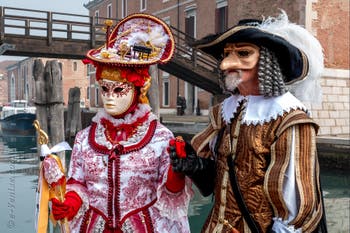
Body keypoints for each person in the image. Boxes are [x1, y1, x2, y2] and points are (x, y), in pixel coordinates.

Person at [170, 11, 327, 233]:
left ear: (266, 61)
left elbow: (299, 204)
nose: (226, 64)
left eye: (243, 53)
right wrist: (196, 166)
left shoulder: (288, 119)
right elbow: (220, 178)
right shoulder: (225, 113)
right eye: (226, 54)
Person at [43, 13, 193, 233]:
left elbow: (170, 194)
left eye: (119, 89)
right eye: (104, 89)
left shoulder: (161, 137)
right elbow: (79, 182)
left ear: (138, 89)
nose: (109, 97)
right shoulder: (85, 138)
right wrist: (71, 203)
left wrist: (178, 171)